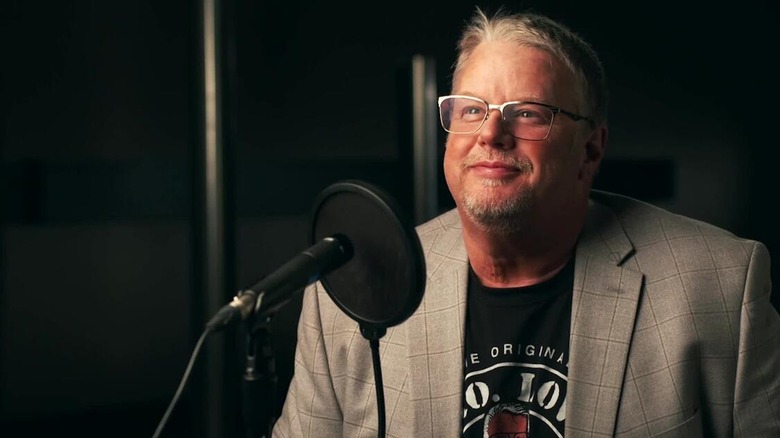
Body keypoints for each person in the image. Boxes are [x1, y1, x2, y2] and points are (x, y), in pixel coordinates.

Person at [272, 5, 780, 437]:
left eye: (529, 113)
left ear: (591, 148)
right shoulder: (351, 295)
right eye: (471, 110)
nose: (492, 133)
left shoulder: (720, 286)